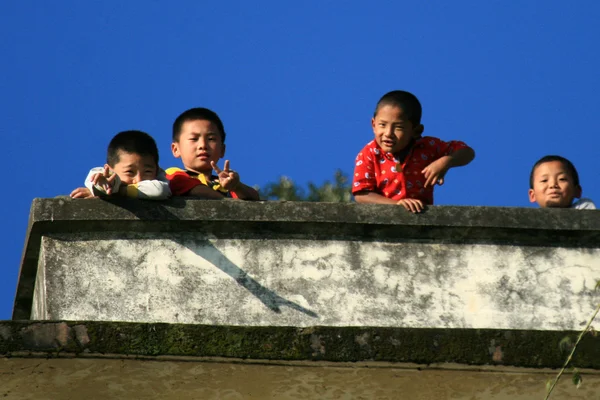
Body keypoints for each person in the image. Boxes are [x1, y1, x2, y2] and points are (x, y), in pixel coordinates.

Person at [352, 90, 475, 213]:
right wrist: (397, 205)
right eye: (382, 125)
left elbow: (467, 152)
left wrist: (446, 161)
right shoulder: (369, 154)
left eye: (398, 127)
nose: (388, 133)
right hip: (383, 221)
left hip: (422, 220)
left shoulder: (427, 147)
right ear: (373, 125)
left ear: (416, 131)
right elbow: (362, 194)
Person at [166, 107, 259, 200]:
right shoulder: (172, 174)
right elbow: (198, 190)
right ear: (176, 149)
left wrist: (236, 186)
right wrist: (229, 204)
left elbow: (254, 197)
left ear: (222, 150)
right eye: (194, 139)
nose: (203, 145)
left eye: (211, 139)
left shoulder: (224, 184)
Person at [70, 130, 171, 200]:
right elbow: (103, 184)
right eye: (130, 172)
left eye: (148, 172)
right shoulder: (100, 175)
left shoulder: (160, 177)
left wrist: (120, 192)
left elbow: (160, 191)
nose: (139, 180)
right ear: (110, 170)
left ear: (156, 169)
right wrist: (102, 188)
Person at [528, 155, 595, 209]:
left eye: (562, 179)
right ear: (532, 195)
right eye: (544, 180)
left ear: (577, 191)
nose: (553, 184)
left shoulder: (584, 209)